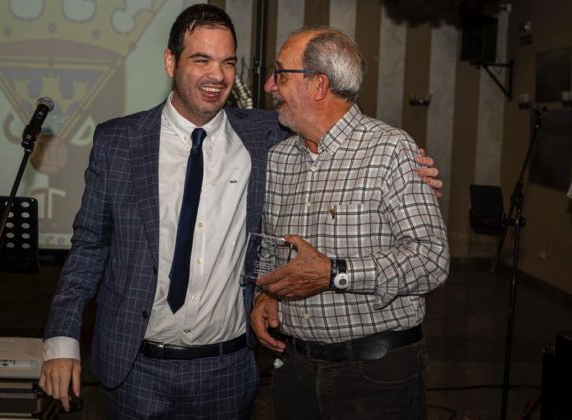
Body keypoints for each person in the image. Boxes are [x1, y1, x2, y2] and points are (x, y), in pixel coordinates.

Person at [39, 5, 442, 419]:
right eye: (202, 60)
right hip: (136, 368)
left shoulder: (266, 137)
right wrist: (62, 339)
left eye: (228, 62)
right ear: (171, 62)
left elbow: (336, 131)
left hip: (227, 371)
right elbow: (89, 246)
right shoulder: (120, 142)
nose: (218, 75)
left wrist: (413, 167)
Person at [251, 27, 450, 420]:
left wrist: (335, 273)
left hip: (375, 375)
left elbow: (432, 259)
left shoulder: (390, 150)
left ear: (319, 85)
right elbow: (273, 250)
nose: (270, 85)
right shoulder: (279, 159)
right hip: (294, 370)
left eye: (281, 74)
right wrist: (267, 293)